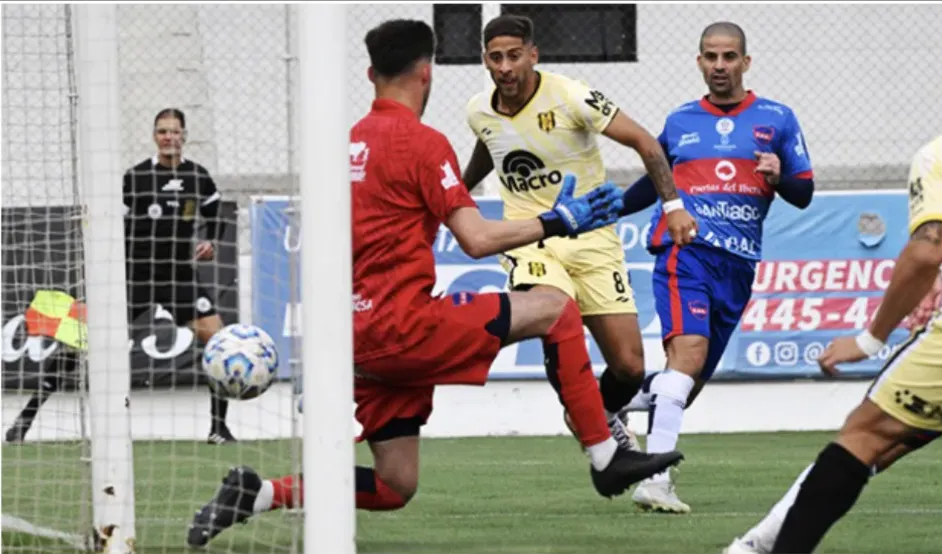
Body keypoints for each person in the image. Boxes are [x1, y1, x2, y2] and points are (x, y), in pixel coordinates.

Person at [185, 19, 683, 548]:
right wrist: (559, 220)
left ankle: (257, 493)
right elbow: (474, 239)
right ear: (428, 72)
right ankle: (605, 454)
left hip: (356, 338)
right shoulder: (422, 142)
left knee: (395, 482)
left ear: (371, 73)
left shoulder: (347, 143)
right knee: (554, 310)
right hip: (406, 327)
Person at [724, 40, 942, 554]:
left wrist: (870, 337)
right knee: (893, 437)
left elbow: (927, 250)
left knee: (866, 435)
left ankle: (760, 547)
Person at [460, 14, 698, 452]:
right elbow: (491, 148)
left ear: (533, 54)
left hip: (593, 237)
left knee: (628, 366)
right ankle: (589, 424)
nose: (505, 67)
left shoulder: (571, 96)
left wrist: (674, 205)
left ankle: (601, 413)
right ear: (485, 61)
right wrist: (452, 197)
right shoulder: (479, 109)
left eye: (514, 56)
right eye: (496, 58)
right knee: (551, 310)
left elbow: (647, 143)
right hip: (530, 237)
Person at [618, 22, 816, 513]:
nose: (720, 66)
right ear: (700, 61)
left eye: (729, 57)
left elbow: (804, 192)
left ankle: (605, 405)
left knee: (688, 381)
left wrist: (781, 174)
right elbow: (652, 183)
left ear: (746, 62)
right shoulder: (681, 120)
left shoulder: (778, 118)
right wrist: (607, 209)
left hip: (739, 266)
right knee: (686, 358)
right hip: (686, 252)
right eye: (711, 57)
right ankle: (655, 479)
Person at [124, 108, 235, 445]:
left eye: (174, 131)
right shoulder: (136, 176)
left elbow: (216, 217)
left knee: (220, 344)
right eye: (162, 132)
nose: (168, 137)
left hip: (179, 276)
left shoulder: (198, 176)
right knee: (87, 340)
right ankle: (25, 421)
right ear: (154, 136)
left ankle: (218, 427)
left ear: (184, 136)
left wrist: (210, 241)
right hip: (137, 276)